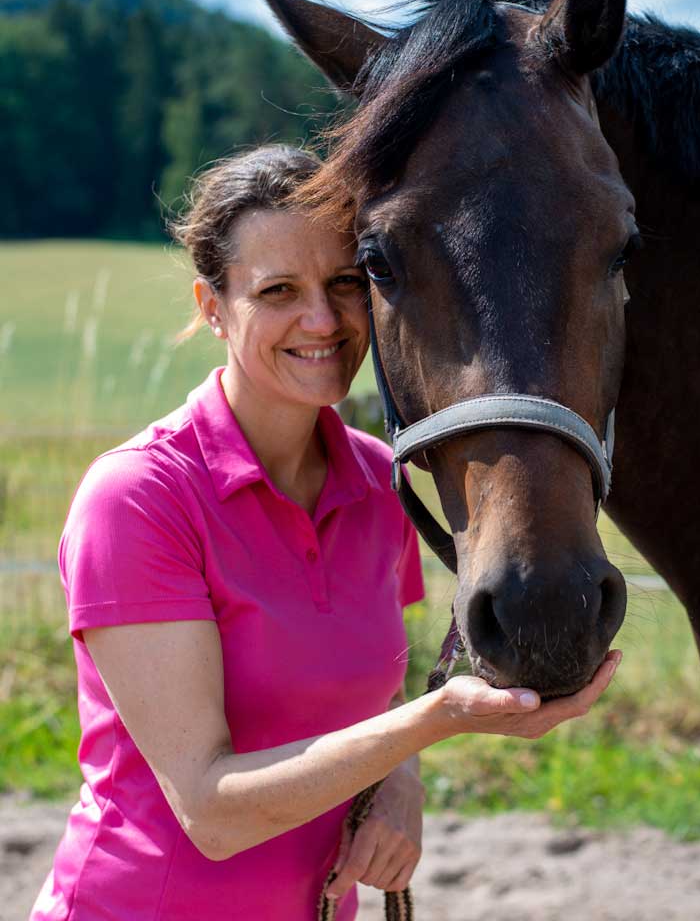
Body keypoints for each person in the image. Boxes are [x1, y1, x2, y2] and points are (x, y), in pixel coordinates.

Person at [31, 145, 622, 921]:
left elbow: (362, 710)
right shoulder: (139, 499)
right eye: (278, 291)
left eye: (345, 283)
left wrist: (401, 782)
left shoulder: (381, 484)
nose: (323, 320)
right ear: (212, 307)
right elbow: (211, 809)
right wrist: (435, 723)